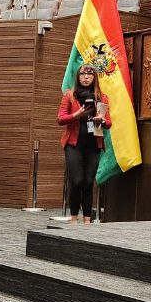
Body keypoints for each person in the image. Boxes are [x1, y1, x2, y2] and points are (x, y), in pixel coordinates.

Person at [57, 64, 111, 224]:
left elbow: (109, 123)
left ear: (94, 77)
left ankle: (87, 219)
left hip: (93, 144)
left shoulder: (101, 97)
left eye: (89, 74)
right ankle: (74, 217)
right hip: (73, 144)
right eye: (83, 74)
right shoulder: (70, 95)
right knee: (76, 180)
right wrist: (76, 115)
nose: (86, 77)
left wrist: (102, 120)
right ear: (78, 77)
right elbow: (60, 118)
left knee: (88, 181)